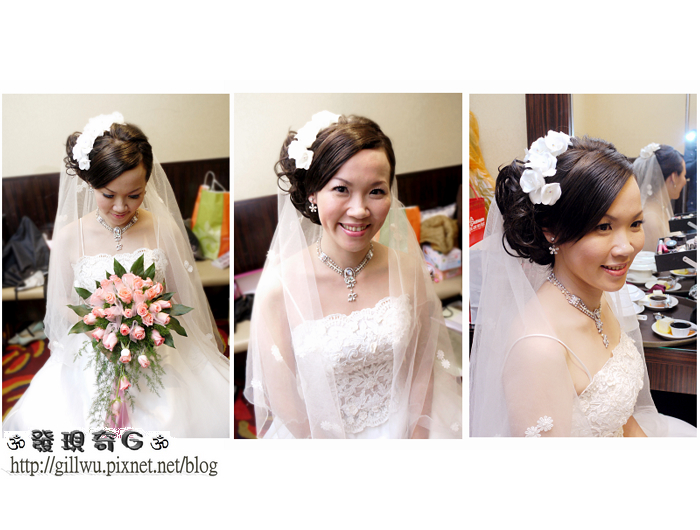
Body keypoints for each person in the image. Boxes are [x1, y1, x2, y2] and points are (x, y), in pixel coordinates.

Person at [3, 112, 230, 437]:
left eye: (134, 195)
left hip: (158, 349)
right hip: (93, 350)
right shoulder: (69, 237)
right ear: (90, 184)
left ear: (147, 186)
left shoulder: (163, 228)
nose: (121, 207)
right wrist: (99, 325)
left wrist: (151, 322)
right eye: (109, 195)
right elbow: (62, 300)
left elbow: (181, 297)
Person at [244, 111, 462, 438]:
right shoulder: (279, 287)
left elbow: (422, 369)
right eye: (341, 189)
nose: (359, 210)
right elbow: (285, 400)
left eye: (376, 191)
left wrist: (416, 437)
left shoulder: (409, 269)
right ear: (313, 193)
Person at [470, 132, 695, 437]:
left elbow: (623, 419)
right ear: (551, 230)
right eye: (603, 227)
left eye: (635, 224)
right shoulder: (537, 349)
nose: (626, 247)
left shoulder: (596, 296)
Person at [633, 143, 687, 251]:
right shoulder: (650, 220)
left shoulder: (661, 207)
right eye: (684, 175)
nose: (685, 181)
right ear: (673, 177)